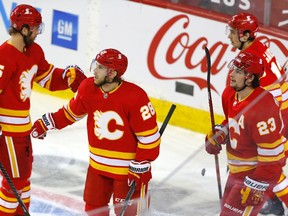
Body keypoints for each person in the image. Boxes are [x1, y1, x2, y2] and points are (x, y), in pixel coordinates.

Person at [30, 48, 161, 215]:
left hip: (126, 172)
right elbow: (69, 113)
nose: (94, 70)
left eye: (99, 67)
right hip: (97, 168)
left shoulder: (135, 97)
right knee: (93, 210)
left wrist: (141, 164)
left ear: (112, 73)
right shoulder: (88, 88)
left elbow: (150, 138)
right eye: (95, 65)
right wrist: (45, 123)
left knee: (131, 213)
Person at [0, 4, 87, 215]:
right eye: (36, 28)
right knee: (14, 182)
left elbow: (47, 78)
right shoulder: (4, 56)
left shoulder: (34, 51)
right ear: (23, 28)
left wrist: (67, 77)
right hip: (8, 131)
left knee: (23, 178)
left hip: (23, 129)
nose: (39, 32)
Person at [205, 52, 288, 216]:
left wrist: (257, 185)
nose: (232, 74)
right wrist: (219, 134)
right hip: (235, 173)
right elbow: (232, 123)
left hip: (252, 177)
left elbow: (274, 157)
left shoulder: (262, 107)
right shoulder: (229, 94)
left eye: (238, 71)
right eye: (233, 68)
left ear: (250, 78)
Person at [226, 12, 288, 215]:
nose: (229, 36)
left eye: (233, 32)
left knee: (268, 167)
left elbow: (274, 98)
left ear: (244, 35)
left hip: (280, 120)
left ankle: (276, 202)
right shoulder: (256, 48)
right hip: (280, 116)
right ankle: (273, 203)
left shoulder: (256, 57)